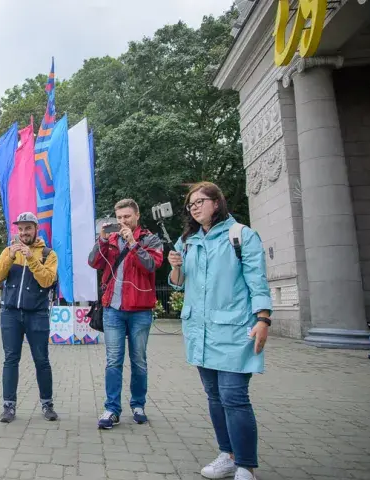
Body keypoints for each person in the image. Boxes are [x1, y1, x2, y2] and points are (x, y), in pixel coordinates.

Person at [168, 181, 271, 480]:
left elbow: (257, 281)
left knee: (234, 397)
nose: (194, 207)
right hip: (199, 331)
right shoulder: (187, 240)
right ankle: (227, 455)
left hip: (236, 329)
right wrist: (175, 264)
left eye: (200, 201)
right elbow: (178, 282)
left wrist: (263, 320)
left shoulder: (241, 236)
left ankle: (246, 466)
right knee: (214, 396)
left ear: (217, 202)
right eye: (190, 204)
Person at [88, 199, 163, 429]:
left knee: (138, 360)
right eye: (119, 218)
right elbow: (93, 262)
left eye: (127, 217)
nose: (123, 222)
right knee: (113, 361)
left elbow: (152, 265)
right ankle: (112, 409)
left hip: (140, 309)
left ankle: (138, 405)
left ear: (137, 216)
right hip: (113, 309)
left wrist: (133, 243)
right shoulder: (110, 239)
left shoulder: (150, 238)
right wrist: (100, 239)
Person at [0, 212, 59, 423]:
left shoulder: (48, 254)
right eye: (20, 229)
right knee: (11, 359)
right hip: (10, 314)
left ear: (36, 229)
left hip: (37, 314)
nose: (23, 233)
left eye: (27, 228)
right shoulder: (8, 251)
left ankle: (47, 404)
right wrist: (11, 256)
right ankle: (8, 406)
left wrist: (31, 259)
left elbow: (47, 281)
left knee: (42, 360)